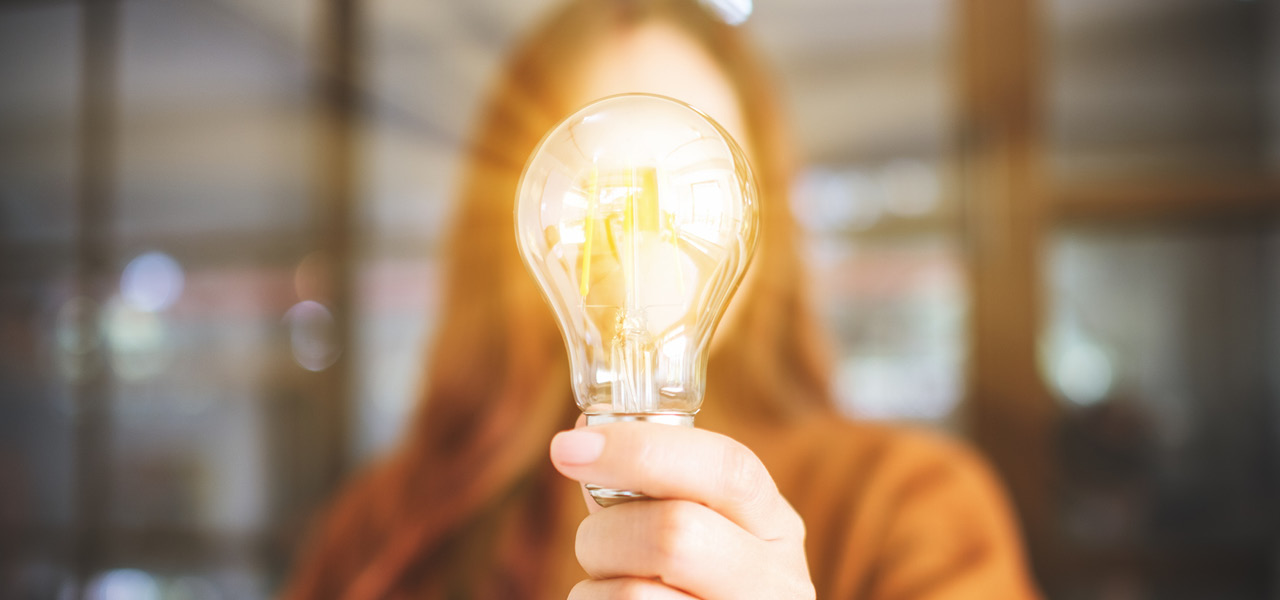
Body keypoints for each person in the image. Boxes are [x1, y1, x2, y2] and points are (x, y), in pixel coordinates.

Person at [283, 1, 1041, 598]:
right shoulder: (381, 532)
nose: (640, 250)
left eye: (675, 205)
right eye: (604, 205)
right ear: (526, 229)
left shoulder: (905, 508)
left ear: (751, 226)